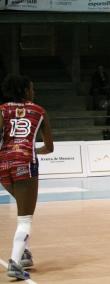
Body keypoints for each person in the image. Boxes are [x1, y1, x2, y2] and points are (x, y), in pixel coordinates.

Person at [0, 74, 54, 279]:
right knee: (25, 218)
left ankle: (24, 254)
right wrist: (31, 149)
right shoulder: (39, 111)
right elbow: (49, 147)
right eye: (32, 89)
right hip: (25, 164)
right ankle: (14, 263)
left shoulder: (2, 110)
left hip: (3, 164)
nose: (34, 92)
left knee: (23, 209)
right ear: (24, 91)